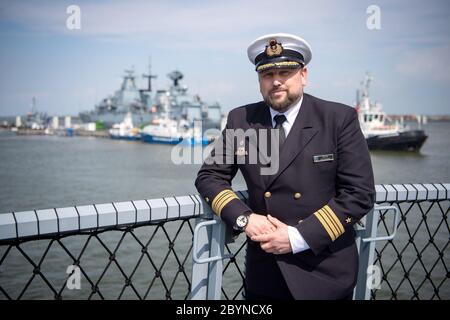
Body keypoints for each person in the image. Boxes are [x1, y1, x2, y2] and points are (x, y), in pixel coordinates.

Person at [195, 33, 375, 300]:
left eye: (285, 72)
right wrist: (244, 218)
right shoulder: (241, 119)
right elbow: (210, 176)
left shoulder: (338, 118)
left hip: (323, 268)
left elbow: (360, 193)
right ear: (259, 82)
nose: (276, 81)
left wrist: (297, 237)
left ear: (303, 75)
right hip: (265, 270)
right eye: (268, 75)